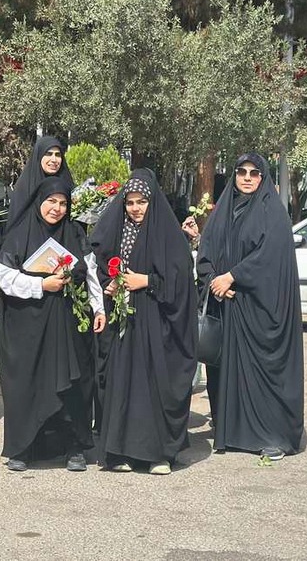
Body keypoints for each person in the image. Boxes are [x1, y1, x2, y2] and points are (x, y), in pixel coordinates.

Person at [196, 153, 306, 460]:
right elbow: (206, 253)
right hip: (227, 306)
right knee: (227, 371)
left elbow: (270, 256)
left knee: (264, 373)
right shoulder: (224, 210)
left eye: (254, 173)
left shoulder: (273, 213)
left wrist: (232, 276)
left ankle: (273, 437)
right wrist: (214, 281)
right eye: (241, 172)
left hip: (260, 310)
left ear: (263, 177)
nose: (247, 178)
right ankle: (232, 432)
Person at [90, 170, 197, 475]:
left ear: (153, 202)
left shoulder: (168, 234)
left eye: (142, 202)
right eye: (130, 202)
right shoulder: (118, 231)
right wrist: (110, 284)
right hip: (125, 323)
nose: (135, 208)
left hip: (158, 323)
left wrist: (147, 281)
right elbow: (101, 265)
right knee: (123, 385)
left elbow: (181, 279)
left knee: (153, 385)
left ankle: (158, 455)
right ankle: (120, 452)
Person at [0, 177, 99, 472]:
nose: (57, 208)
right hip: (29, 326)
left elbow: (91, 273)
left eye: (63, 203)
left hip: (69, 325)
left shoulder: (75, 232)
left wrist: (99, 308)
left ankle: (73, 447)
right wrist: (42, 285)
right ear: (39, 202)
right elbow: (5, 278)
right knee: (30, 383)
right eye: (51, 201)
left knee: (72, 384)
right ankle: (24, 448)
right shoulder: (20, 233)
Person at [7, 136, 73, 231]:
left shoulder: (67, 185)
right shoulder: (24, 188)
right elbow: (16, 226)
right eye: (48, 154)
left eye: (58, 155)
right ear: (39, 156)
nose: (54, 159)